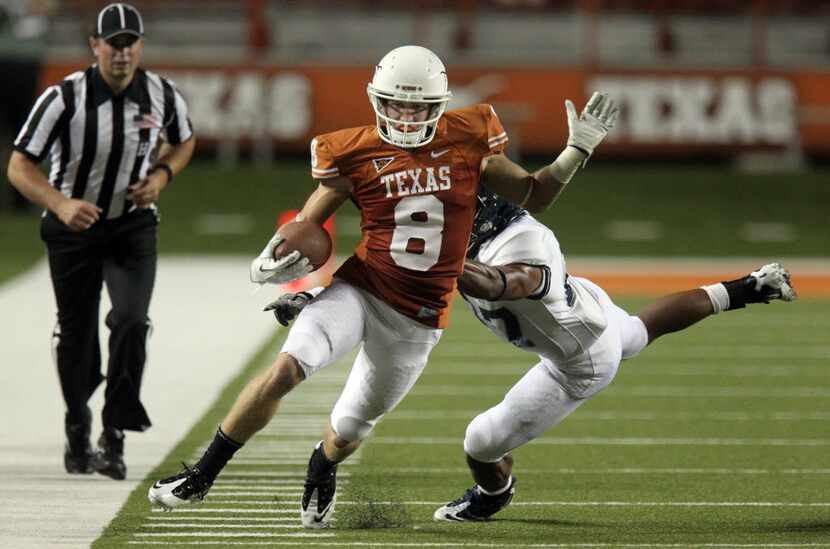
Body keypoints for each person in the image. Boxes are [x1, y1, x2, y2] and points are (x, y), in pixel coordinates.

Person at [147, 44, 618, 528]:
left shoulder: (470, 137)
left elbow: (533, 196)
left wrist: (574, 152)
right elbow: (307, 227)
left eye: (417, 106)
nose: (407, 115)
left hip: (418, 320)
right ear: (377, 100)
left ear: (439, 106)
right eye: (396, 103)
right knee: (287, 369)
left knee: (348, 430)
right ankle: (201, 476)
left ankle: (322, 462)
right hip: (362, 290)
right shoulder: (350, 151)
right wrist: (278, 263)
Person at [270, 187, 797, 523]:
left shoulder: (524, 258)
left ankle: (494, 493)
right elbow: (386, 277)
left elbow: (506, 282)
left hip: (578, 360)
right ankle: (745, 289)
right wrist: (317, 298)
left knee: (480, 441)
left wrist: (443, 263)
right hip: (590, 311)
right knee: (637, 330)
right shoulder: (507, 232)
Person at [7, 3, 195, 480]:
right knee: (77, 335)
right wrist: (60, 203)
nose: (122, 52)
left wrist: (162, 175)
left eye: (131, 42)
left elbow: (185, 139)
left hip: (132, 224)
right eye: (113, 43)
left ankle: (114, 433)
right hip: (74, 230)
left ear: (140, 46)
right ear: (95, 46)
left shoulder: (161, 94)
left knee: (131, 321)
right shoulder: (62, 98)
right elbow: (19, 165)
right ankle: (77, 421)